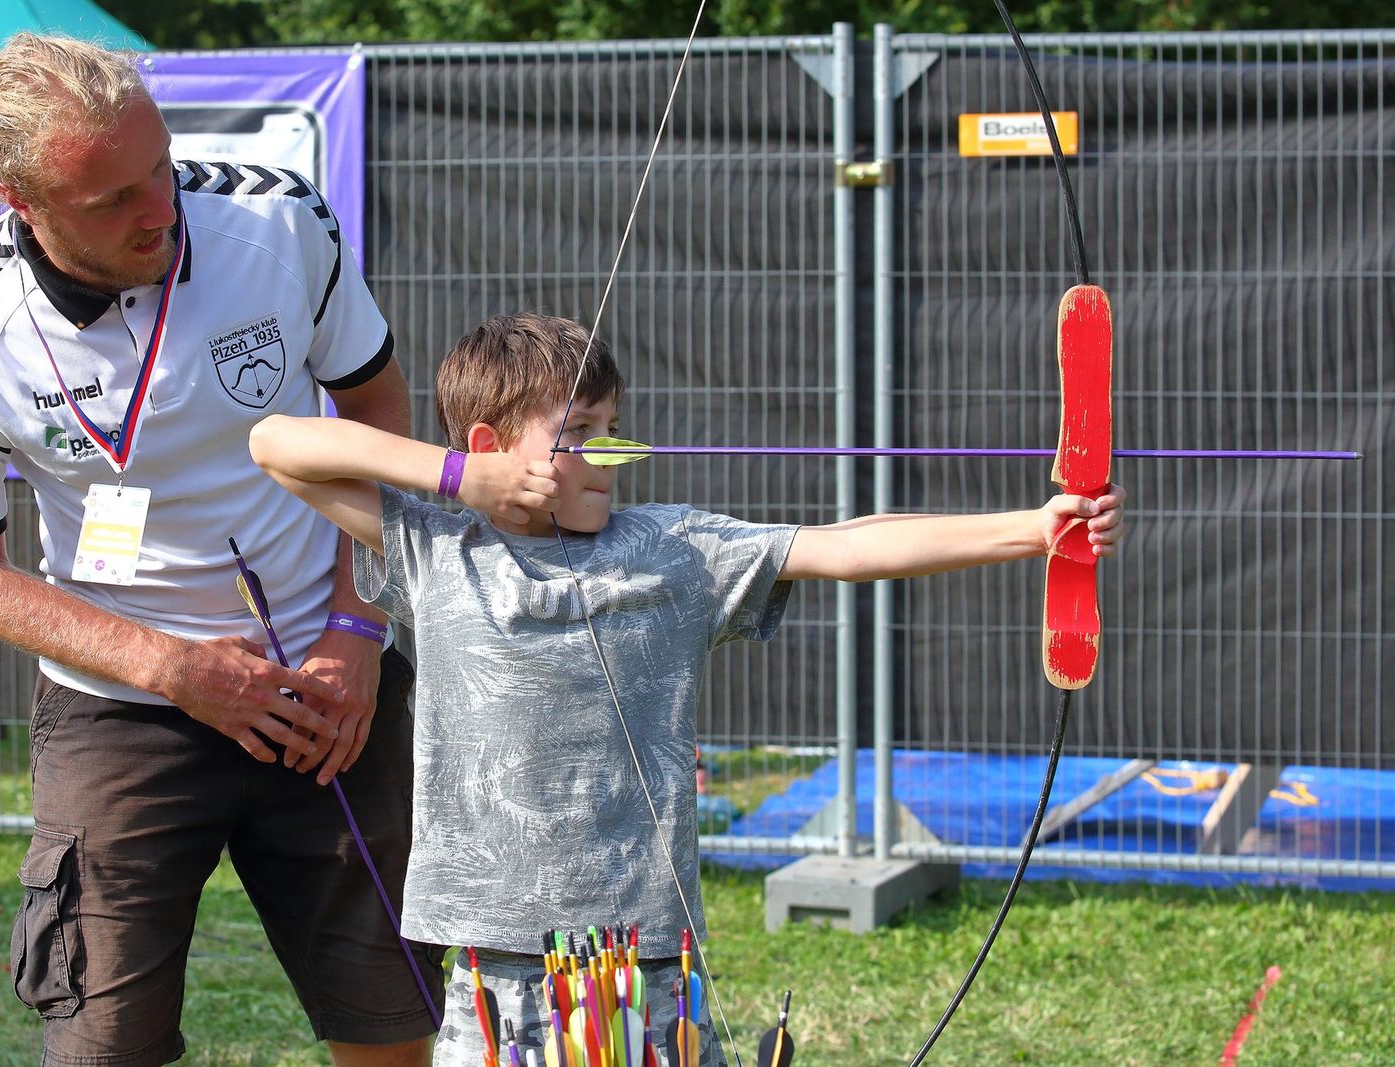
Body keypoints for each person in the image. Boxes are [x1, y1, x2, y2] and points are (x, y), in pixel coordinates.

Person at [247, 312, 1128, 1066]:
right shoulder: (436, 552)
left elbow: (845, 547)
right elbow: (276, 444)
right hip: (495, 957)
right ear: (489, 447)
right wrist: (456, 478)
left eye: (612, 427)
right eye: (580, 431)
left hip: (645, 952)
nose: (608, 455)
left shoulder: (676, 550)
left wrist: (1033, 529)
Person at [0, 33, 442, 1067]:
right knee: (103, 1041)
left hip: (326, 677)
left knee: (391, 1015)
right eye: (111, 199)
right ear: (22, 201)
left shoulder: (277, 218)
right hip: (120, 708)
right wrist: (174, 670)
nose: (159, 208)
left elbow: (372, 404)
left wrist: (359, 623)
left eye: (159, 165)